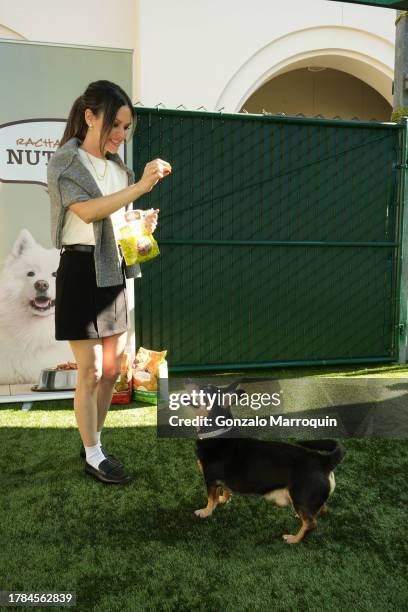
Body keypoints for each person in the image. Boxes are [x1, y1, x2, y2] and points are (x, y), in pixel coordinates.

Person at [47, 80, 171, 484]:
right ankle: (94, 454)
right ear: (90, 117)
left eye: (126, 128)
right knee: (90, 369)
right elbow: (87, 213)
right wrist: (138, 188)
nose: (120, 135)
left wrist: (139, 222)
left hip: (112, 269)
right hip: (80, 272)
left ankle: (93, 443)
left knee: (112, 369)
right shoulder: (67, 161)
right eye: (114, 125)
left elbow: (115, 223)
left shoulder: (120, 170)